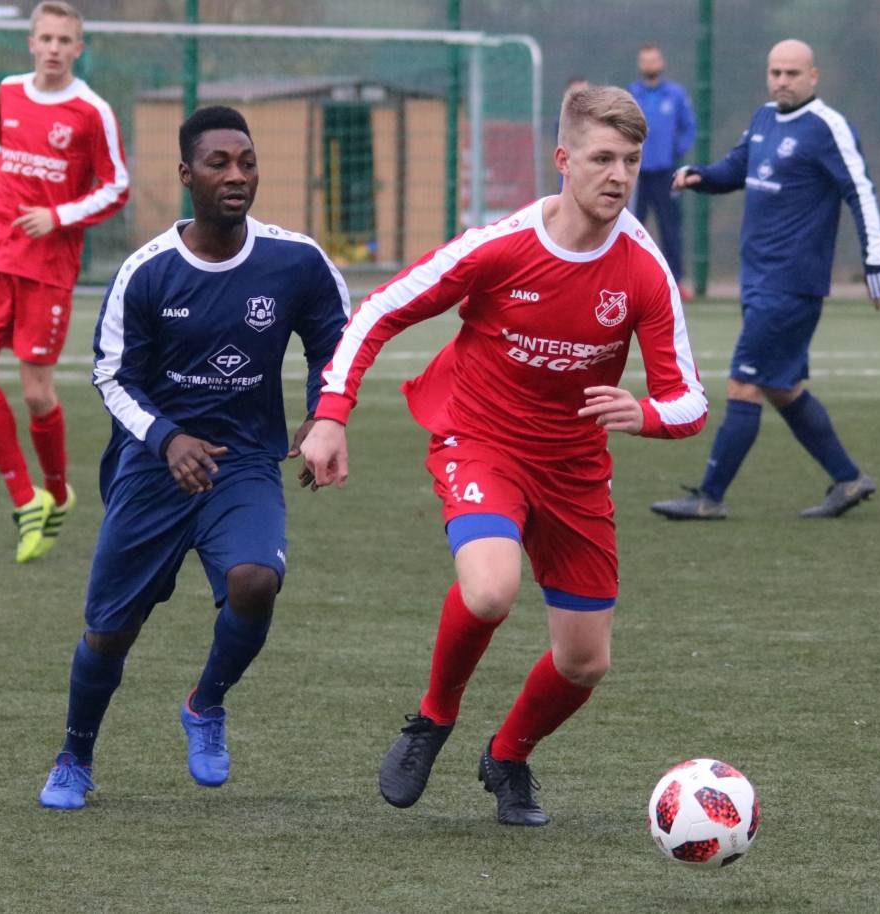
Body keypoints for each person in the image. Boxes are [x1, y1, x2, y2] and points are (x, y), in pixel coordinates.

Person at [300, 85, 707, 827]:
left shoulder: (644, 268)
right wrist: (331, 416)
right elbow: (380, 310)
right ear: (563, 160)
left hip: (575, 469)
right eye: (602, 158)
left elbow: (690, 403)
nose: (618, 175)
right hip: (480, 440)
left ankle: (509, 755)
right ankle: (432, 717)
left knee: (586, 662)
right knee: (491, 588)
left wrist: (643, 413)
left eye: (632, 161)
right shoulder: (500, 246)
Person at [36, 105, 350, 809]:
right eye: (219, 163)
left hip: (241, 460)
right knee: (110, 631)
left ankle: (206, 704)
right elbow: (112, 377)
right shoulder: (147, 272)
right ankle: (75, 756)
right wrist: (167, 438)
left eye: (246, 162)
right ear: (187, 175)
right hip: (151, 468)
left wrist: (324, 416)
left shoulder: (294, 260)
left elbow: (337, 341)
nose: (236, 175)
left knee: (256, 580)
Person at [650, 39, 880, 522]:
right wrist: (701, 175)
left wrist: (876, 259)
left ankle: (709, 496)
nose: (781, 81)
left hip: (792, 284)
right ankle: (847, 478)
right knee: (782, 387)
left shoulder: (828, 127)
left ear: (813, 76)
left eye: (792, 73)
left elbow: (860, 191)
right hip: (759, 279)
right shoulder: (764, 118)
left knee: (744, 383)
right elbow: (737, 168)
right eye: (775, 72)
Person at [0, 1, 129, 564]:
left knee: (36, 392)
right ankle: (25, 498)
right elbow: (4, 159)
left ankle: (57, 489)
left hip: (47, 269)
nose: (54, 48)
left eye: (64, 40)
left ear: (79, 48)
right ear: (30, 43)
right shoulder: (8, 91)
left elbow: (116, 186)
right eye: (45, 38)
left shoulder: (90, 111)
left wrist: (59, 217)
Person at [627, 43, 696, 296]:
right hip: (637, 175)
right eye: (645, 61)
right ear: (640, 65)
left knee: (670, 228)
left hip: (666, 174)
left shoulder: (675, 95)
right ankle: (629, 280)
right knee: (632, 227)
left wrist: (675, 151)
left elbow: (689, 128)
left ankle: (676, 282)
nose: (650, 65)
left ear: (661, 62)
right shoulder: (632, 94)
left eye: (653, 60)